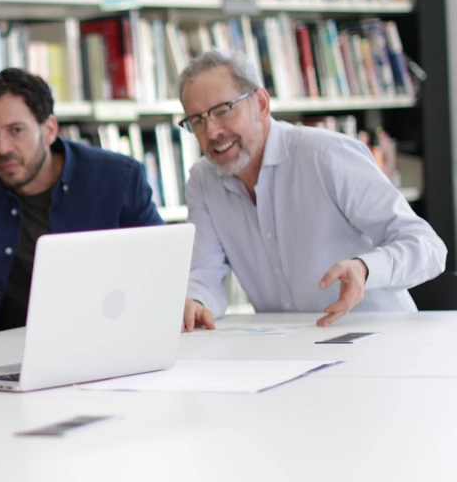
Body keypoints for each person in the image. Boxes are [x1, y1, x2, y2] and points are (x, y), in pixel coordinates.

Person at [178, 49, 447, 331]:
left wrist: (365, 268)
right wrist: (196, 301)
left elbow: (428, 247)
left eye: (222, 111)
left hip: (381, 338)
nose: (211, 132)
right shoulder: (202, 181)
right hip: (292, 350)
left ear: (260, 103)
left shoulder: (325, 155)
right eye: (197, 120)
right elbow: (205, 272)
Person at [0, 68, 164, 333]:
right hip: (4, 350)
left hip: (108, 336)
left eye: (16, 130)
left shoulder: (118, 177)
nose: (2, 148)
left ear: (50, 130)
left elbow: (162, 264)